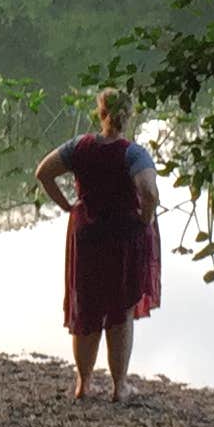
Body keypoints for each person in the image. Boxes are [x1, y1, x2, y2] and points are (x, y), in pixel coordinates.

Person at [36, 86, 162, 401]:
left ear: (100, 113)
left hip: (87, 236)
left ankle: (83, 384)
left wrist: (67, 206)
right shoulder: (134, 153)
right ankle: (120, 387)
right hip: (123, 238)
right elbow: (149, 193)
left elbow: (43, 173)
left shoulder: (79, 146)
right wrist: (144, 220)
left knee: (86, 308)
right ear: (127, 116)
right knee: (121, 310)